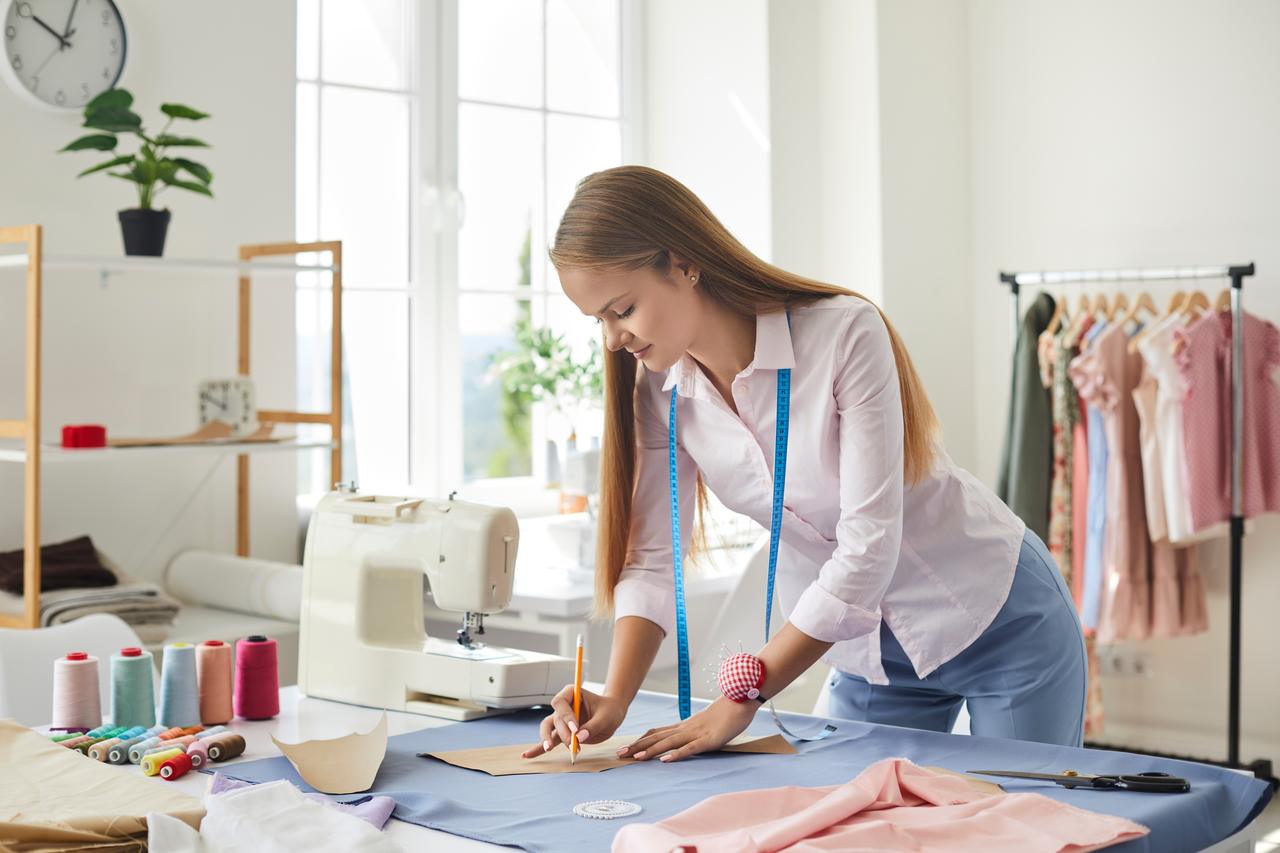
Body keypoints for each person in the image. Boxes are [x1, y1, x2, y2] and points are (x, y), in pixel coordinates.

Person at [521, 166, 1085, 766]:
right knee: (839, 826)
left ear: (682, 262)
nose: (612, 340)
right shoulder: (660, 396)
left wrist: (745, 693)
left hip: (993, 615)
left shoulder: (843, 332)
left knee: (1027, 822)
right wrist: (615, 698)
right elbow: (654, 562)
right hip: (864, 652)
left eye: (622, 310)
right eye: (598, 321)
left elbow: (867, 546)